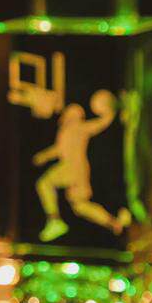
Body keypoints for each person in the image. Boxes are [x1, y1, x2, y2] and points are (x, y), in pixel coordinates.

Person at [33, 90, 131, 242]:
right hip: (79, 169)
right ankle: (114, 223)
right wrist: (44, 156)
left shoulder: (77, 127)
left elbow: (100, 124)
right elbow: (59, 149)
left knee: (44, 183)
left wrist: (111, 110)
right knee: (80, 205)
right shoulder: (67, 131)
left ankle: (54, 220)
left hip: (71, 167)